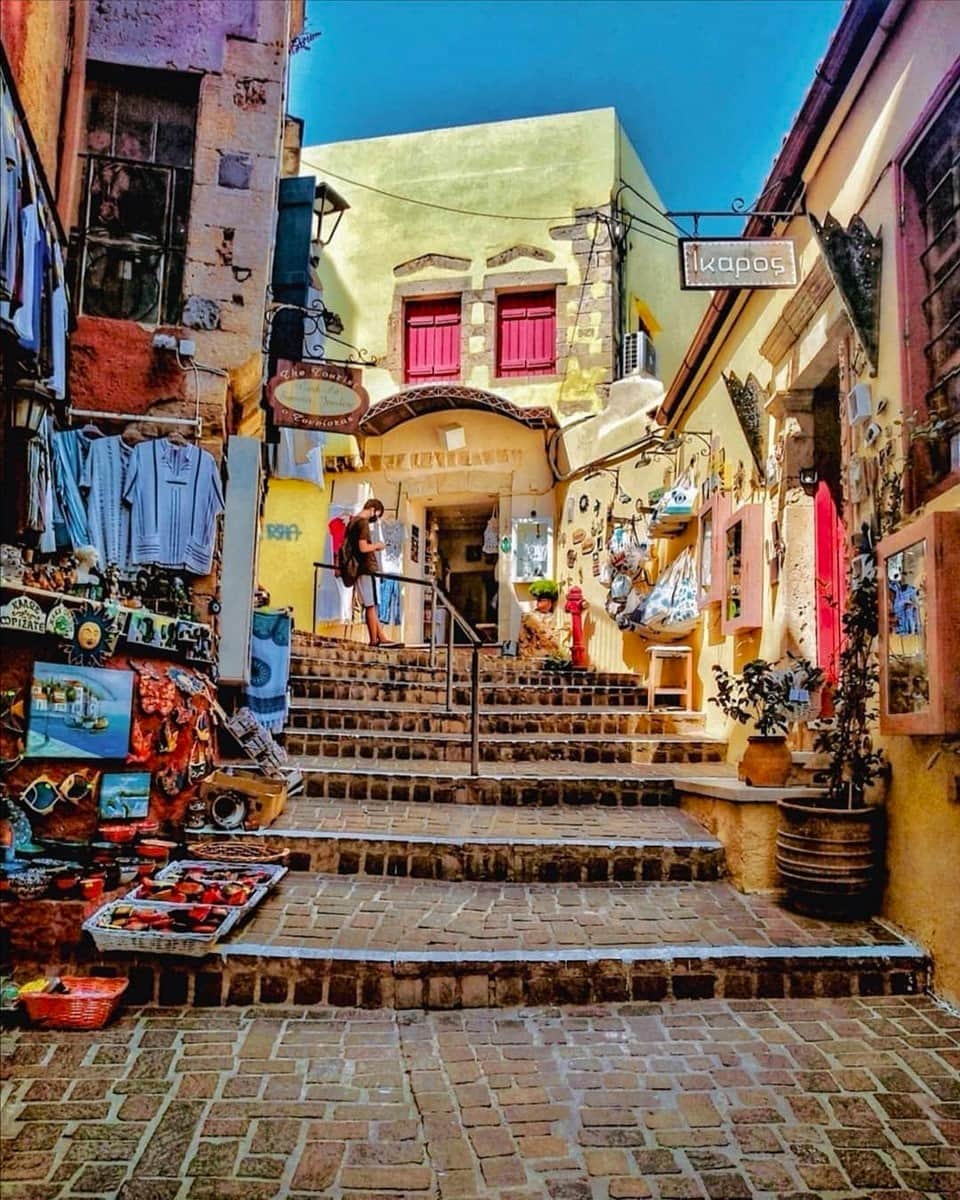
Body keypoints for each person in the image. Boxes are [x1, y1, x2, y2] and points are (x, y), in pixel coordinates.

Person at [347, 498, 401, 647]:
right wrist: (377, 545)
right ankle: (374, 640)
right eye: (377, 515)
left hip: (357, 568)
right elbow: (363, 547)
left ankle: (381, 637)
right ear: (373, 509)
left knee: (369, 604)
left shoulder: (352, 523)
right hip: (366, 567)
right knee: (372, 605)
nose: (375, 519)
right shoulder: (363, 523)